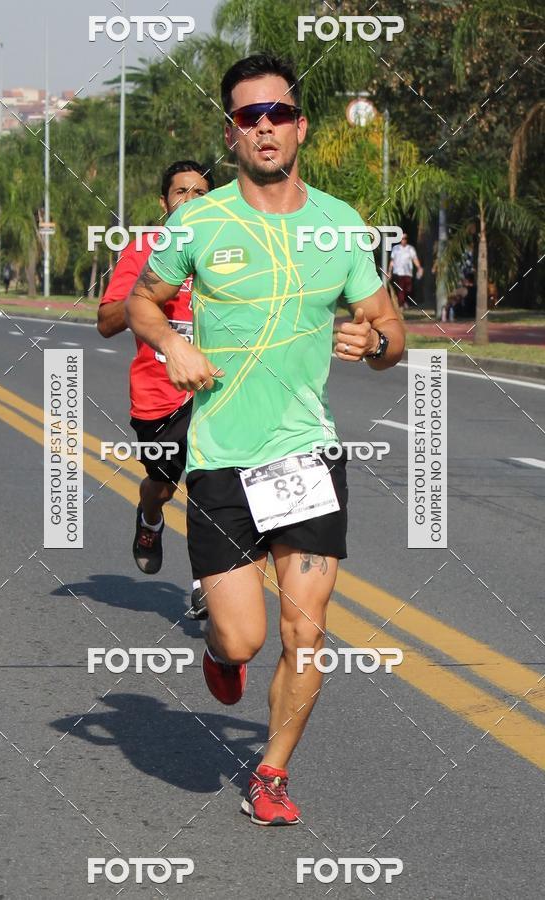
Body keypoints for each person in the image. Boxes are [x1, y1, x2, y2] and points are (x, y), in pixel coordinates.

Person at [126, 54, 405, 826]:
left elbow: (391, 333)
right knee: (246, 639)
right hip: (221, 454)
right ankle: (220, 654)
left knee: (305, 629)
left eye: (277, 113)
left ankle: (271, 773)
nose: (265, 127)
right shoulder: (200, 220)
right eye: (249, 117)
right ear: (231, 133)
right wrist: (171, 344)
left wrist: (373, 344)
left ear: (299, 125)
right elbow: (141, 303)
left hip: (306, 450)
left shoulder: (340, 224)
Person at [98, 160, 214, 619]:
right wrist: (151, 298)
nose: (191, 200)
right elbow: (106, 322)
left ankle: (206, 581)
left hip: (215, 392)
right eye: (182, 192)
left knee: (213, 485)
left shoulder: (229, 250)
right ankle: (149, 516)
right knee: (163, 485)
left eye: (201, 193)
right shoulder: (146, 248)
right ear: (164, 203)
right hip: (159, 395)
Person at [388, 232, 423, 308]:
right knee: (400, 289)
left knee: (408, 289)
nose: (404, 240)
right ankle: (401, 305)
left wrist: (419, 267)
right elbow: (392, 261)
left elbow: (415, 259)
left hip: (408, 273)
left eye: (405, 238)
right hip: (398, 272)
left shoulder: (410, 249)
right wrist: (389, 271)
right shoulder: (395, 248)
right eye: (402, 238)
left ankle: (404, 302)